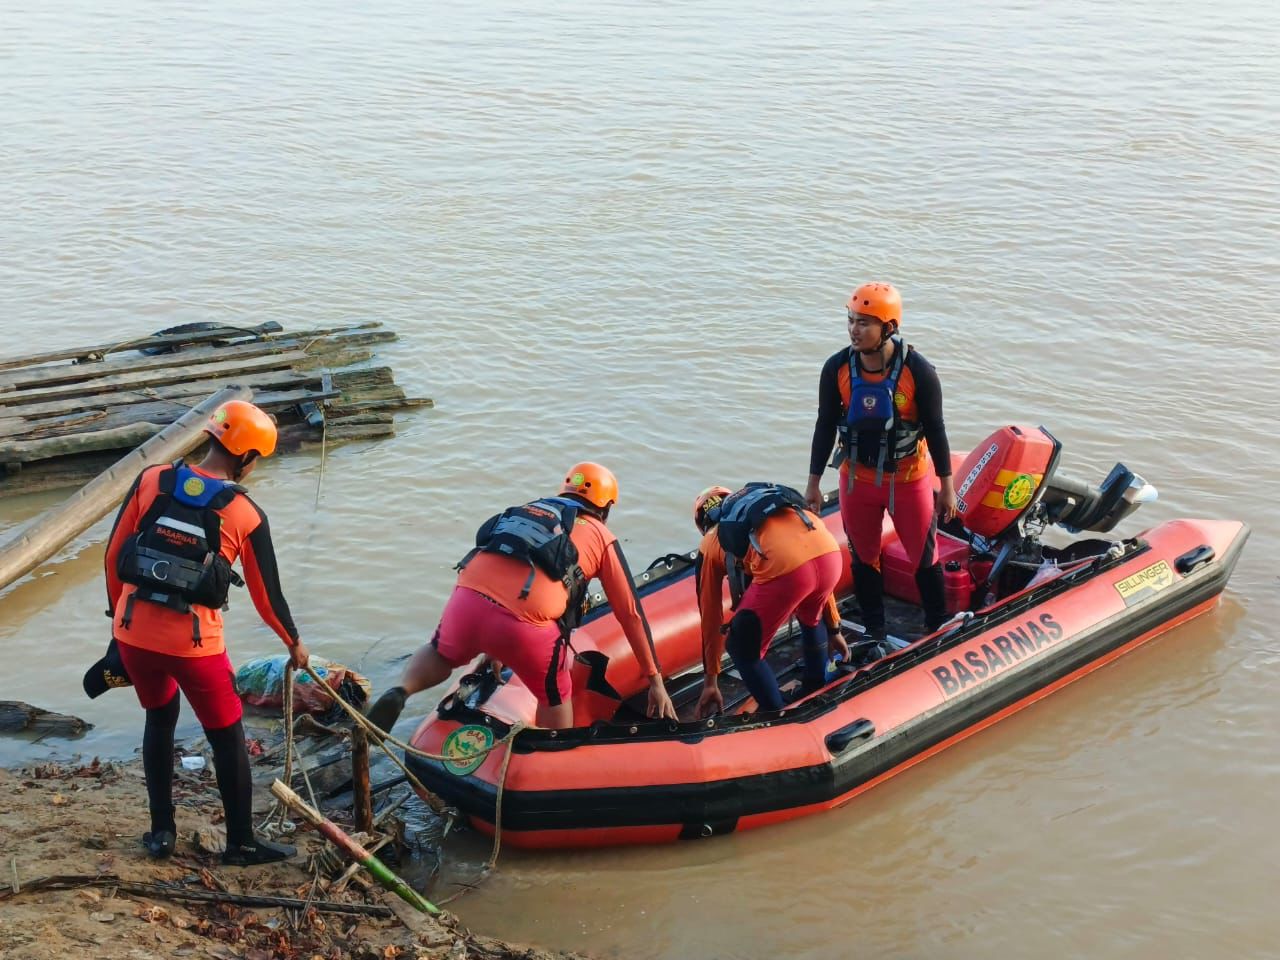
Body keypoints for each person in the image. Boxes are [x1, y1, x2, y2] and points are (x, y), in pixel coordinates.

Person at [104, 399, 309, 866]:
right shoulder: (246, 513)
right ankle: (240, 842)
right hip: (193, 647)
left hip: (132, 631)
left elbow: (113, 559)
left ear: (212, 437)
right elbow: (267, 599)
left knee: (159, 720)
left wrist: (117, 628)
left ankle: (160, 833)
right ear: (248, 457)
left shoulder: (151, 479)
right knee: (227, 736)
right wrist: (294, 643)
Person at [367, 462, 677, 731]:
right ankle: (551, 759)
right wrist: (655, 681)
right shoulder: (600, 535)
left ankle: (402, 689)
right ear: (606, 508)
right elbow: (630, 613)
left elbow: (505, 575)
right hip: (526, 626)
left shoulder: (532, 511)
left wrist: (493, 647)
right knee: (555, 693)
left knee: (439, 652)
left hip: (467, 600)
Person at [804, 282, 956, 641]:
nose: (854, 330)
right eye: (852, 320)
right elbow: (825, 425)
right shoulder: (837, 368)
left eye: (865, 323)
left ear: (888, 328)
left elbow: (935, 429)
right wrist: (812, 483)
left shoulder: (918, 371)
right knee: (864, 557)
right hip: (857, 481)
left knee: (923, 555)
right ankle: (875, 631)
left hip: (908, 479)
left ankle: (937, 625)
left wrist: (946, 487)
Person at [692, 483, 847, 718]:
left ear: (702, 524)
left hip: (789, 571)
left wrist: (711, 682)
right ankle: (815, 687)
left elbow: (711, 615)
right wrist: (834, 628)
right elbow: (813, 563)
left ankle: (777, 715)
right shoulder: (767, 509)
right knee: (811, 614)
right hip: (830, 554)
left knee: (740, 646)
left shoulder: (710, 542)